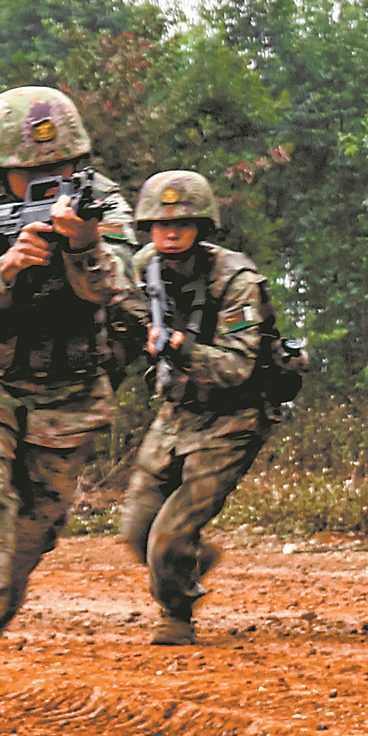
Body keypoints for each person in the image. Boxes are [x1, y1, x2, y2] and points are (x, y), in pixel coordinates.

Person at [0, 86, 138, 731]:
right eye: (31, 176)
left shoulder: (105, 208)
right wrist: (6, 268)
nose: (50, 184)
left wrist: (84, 245)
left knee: (24, 541)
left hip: (68, 394)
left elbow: (122, 290)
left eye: (60, 172)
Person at [118, 171, 278, 645]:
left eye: (183, 224)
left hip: (233, 417)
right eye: (160, 224)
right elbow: (121, 320)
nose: (170, 233)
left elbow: (238, 367)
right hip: (175, 412)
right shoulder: (144, 267)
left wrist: (183, 346)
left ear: (203, 227)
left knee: (165, 539)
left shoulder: (236, 281)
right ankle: (187, 560)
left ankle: (176, 613)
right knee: (136, 530)